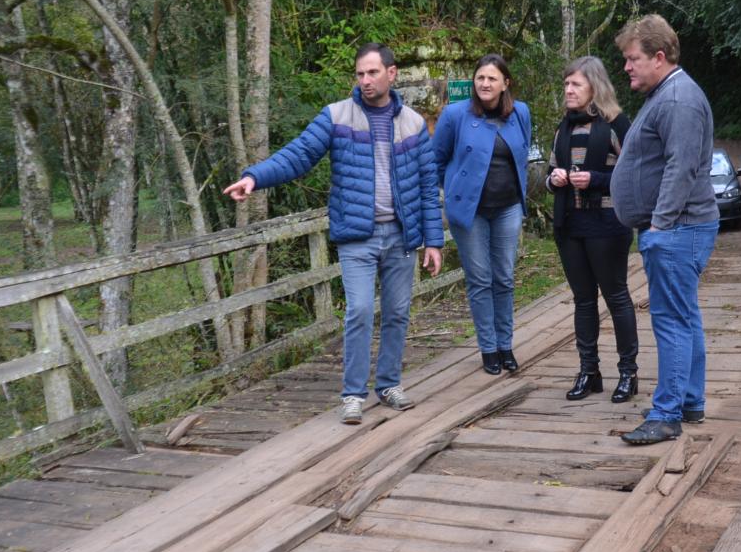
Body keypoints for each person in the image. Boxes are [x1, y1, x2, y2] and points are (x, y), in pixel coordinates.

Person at [223, 43, 443, 425]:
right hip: (357, 234)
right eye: (360, 74)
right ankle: (353, 395)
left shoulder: (412, 123)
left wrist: (434, 240)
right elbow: (298, 155)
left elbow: (427, 185)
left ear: (391, 74)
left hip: (401, 236)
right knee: (358, 310)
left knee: (397, 312)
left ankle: (389, 383)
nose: (365, 80)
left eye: (373, 72)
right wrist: (254, 176)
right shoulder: (337, 117)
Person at [609, 14, 720, 445]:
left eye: (633, 58)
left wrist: (659, 225)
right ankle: (688, 400)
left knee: (671, 320)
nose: (626, 66)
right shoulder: (666, 94)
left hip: (678, 229)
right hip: (678, 228)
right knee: (684, 316)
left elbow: (681, 166)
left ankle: (667, 413)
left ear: (659, 57)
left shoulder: (678, 100)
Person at [433, 54, 531, 375]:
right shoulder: (455, 115)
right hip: (469, 211)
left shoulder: (521, 114)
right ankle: (488, 348)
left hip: (508, 207)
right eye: (480, 78)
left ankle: (506, 345)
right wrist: (442, 196)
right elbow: (437, 161)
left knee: (504, 276)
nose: (485, 83)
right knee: (480, 279)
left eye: (492, 78)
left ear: (506, 83)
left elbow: (522, 156)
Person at [547, 56, 638, 403]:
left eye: (576, 85)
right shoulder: (563, 127)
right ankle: (589, 371)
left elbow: (633, 174)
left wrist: (595, 179)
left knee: (616, 297)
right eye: (566, 84)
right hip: (570, 225)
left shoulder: (616, 124)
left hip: (608, 224)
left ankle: (628, 373)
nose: (568, 90)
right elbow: (552, 172)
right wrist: (555, 180)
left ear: (594, 87)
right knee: (583, 301)